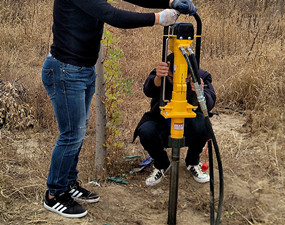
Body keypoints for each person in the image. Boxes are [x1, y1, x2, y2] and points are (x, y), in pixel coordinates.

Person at [41, 0, 198, 219]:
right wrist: (158, 18)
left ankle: (67, 183)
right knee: (71, 135)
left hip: (82, 70)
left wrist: (170, 2)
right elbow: (113, 16)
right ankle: (54, 194)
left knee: (77, 132)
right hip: (66, 70)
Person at [133, 53, 216, 186]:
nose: (180, 82)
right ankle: (161, 164)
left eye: (186, 79)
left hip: (188, 125)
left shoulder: (201, 76)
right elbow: (148, 90)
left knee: (204, 125)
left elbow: (210, 103)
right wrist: (158, 78)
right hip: (162, 123)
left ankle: (193, 162)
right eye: (173, 78)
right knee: (146, 131)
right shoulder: (162, 73)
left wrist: (200, 92)